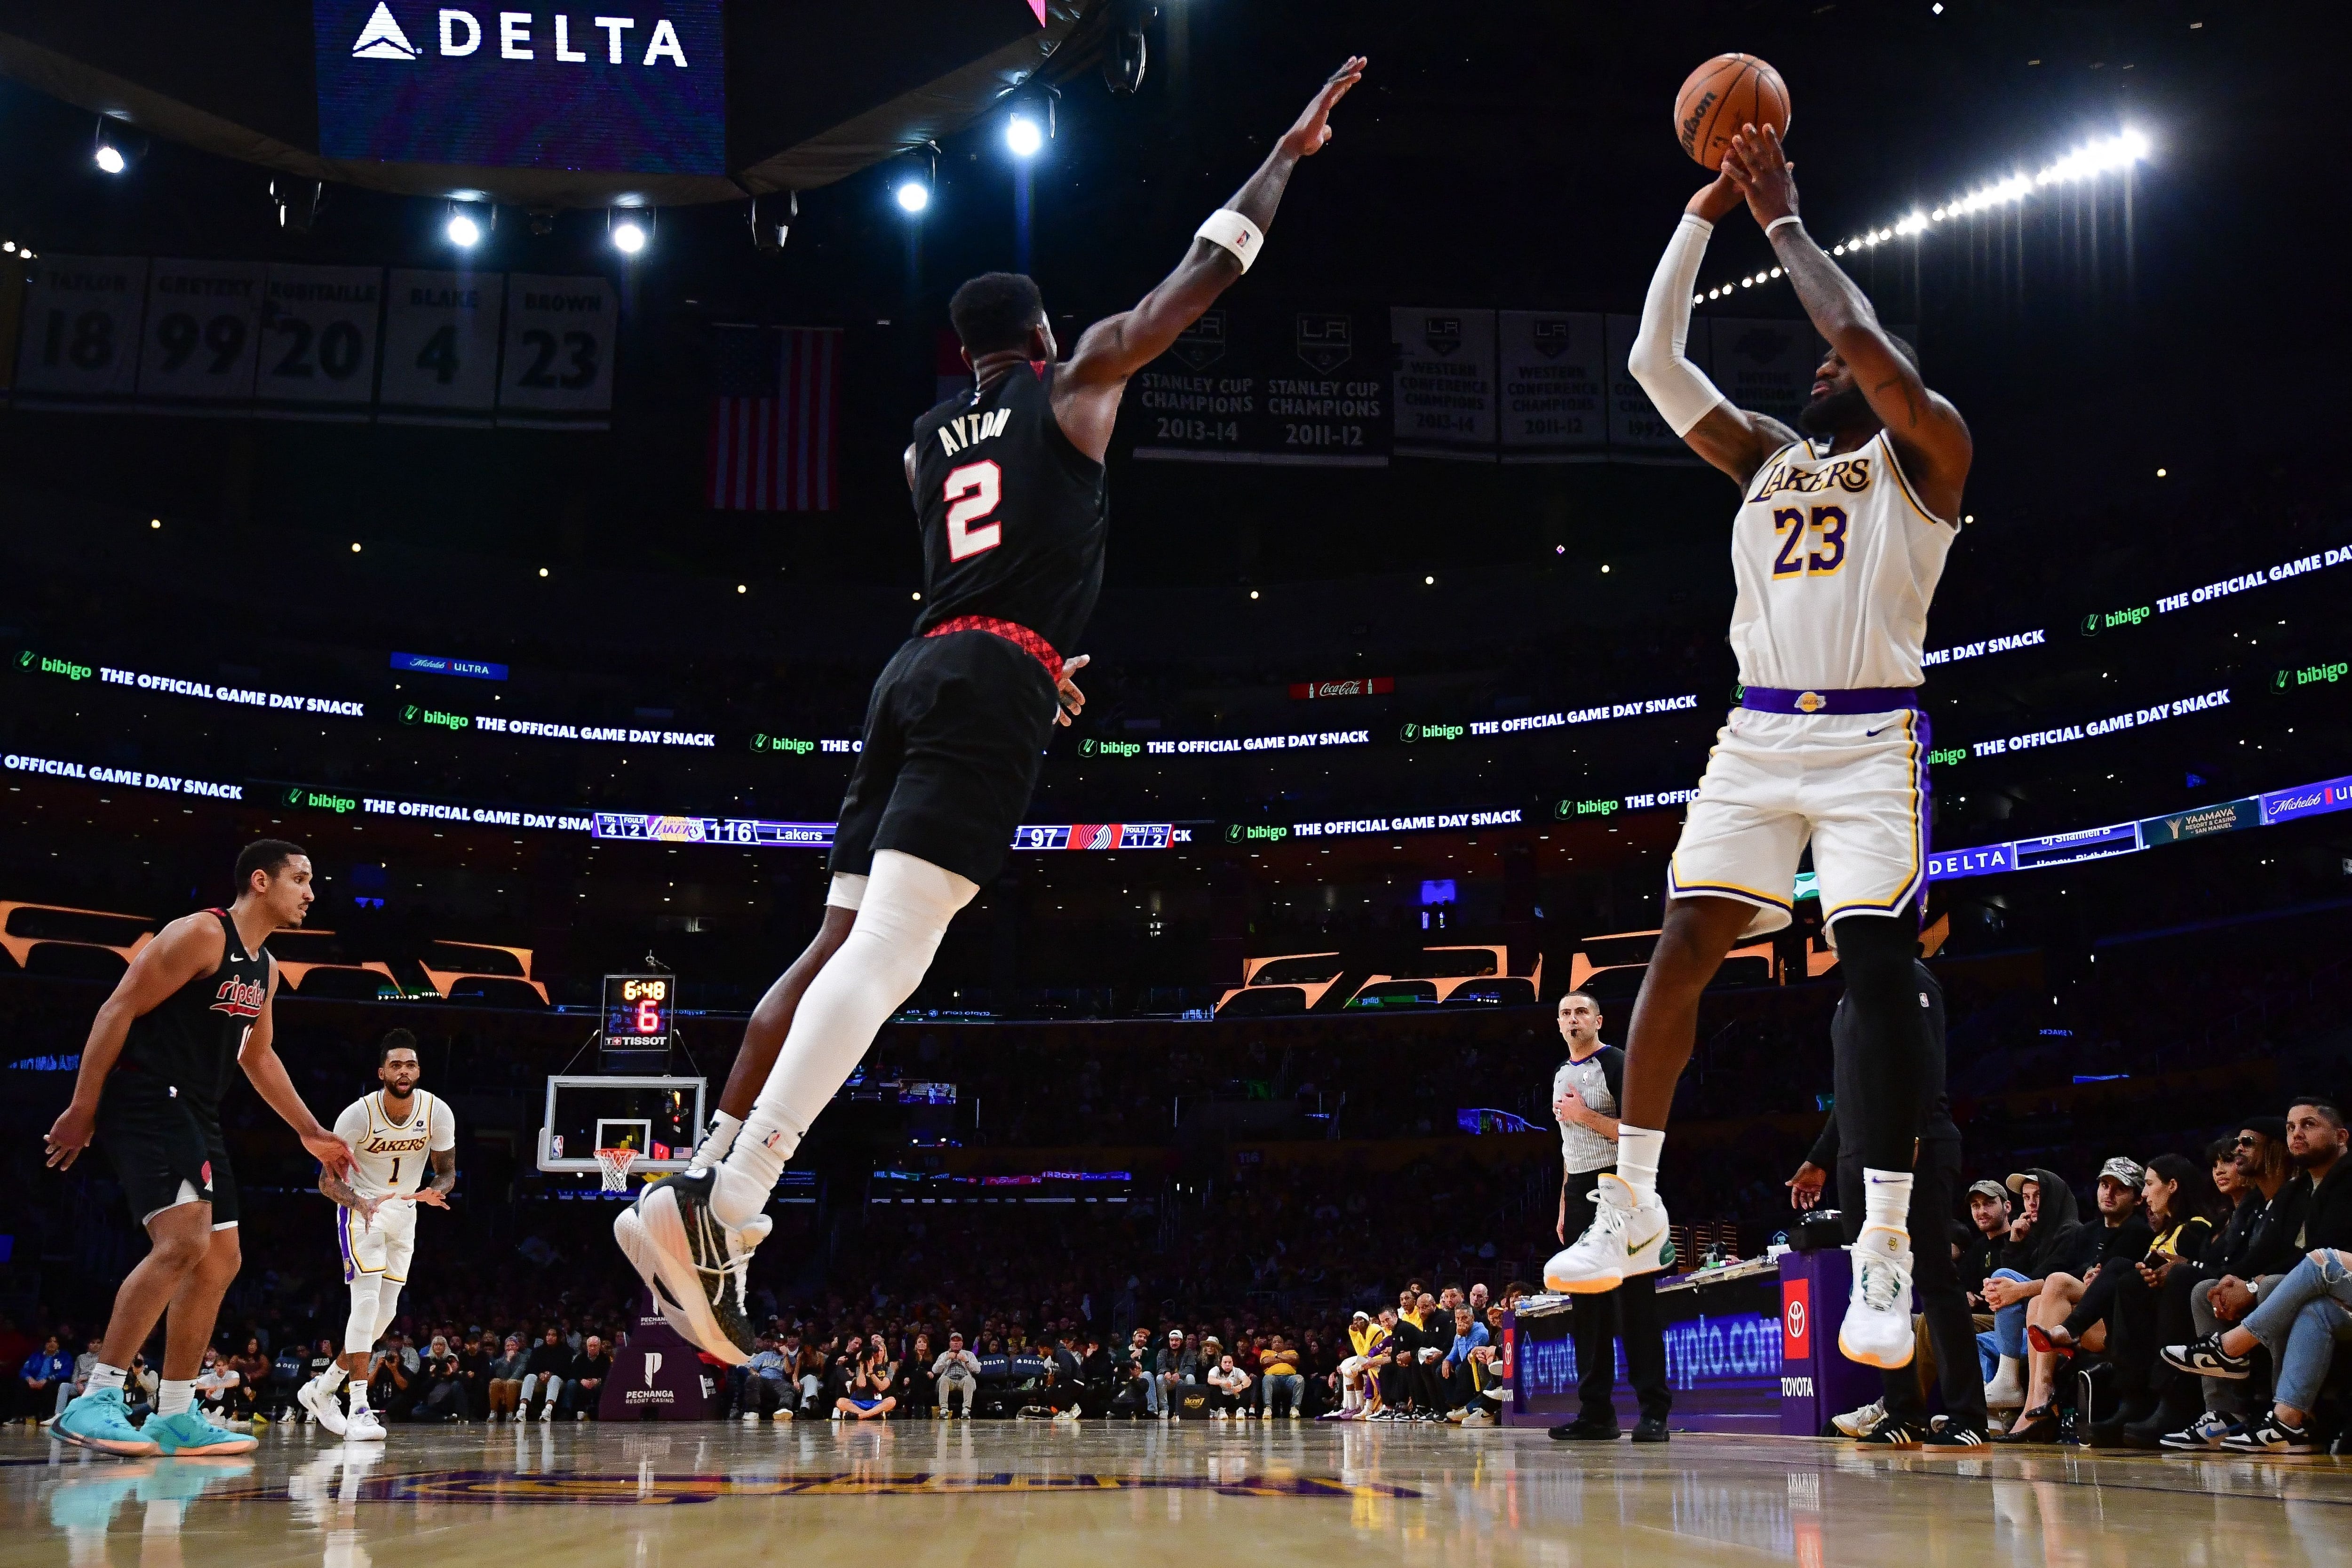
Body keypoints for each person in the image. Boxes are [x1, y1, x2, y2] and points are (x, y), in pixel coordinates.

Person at [615, 58, 1372, 1364]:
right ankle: (726, 1197)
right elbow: (1207, 270)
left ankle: (704, 1169)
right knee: (897, 952)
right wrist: (1287, 153)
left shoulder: (926, 437)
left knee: (831, 941)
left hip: (913, 669)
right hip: (982, 682)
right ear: (1041, 335)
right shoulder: (1072, 381)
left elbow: (988, 564)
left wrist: (1033, 644)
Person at [1549, 118, 1974, 1386]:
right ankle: (1635, 1200)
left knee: (1876, 962)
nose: (1822, 372)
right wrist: (1703, 217)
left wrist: (1783, 216)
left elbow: (1862, 344)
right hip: (1757, 728)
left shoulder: (1930, 452)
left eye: (1846, 364)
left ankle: (1887, 1236)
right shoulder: (1762, 457)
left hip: (1867, 736)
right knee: (1681, 945)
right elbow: (1651, 355)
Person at [45, 840, 354, 1457]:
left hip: (197, 1109)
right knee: (184, 1241)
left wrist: (311, 1131)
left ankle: (176, 1413)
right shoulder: (200, 934)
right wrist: (84, 1106)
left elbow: (258, 1055)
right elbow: (118, 1008)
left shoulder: (263, 967)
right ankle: (95, 1398)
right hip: (147, 1096)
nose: (311, 893)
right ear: (261, 882)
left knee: (220, 1259)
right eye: (301, 879)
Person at [2160, 1098, 2352, 1448]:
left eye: (2308, 1125)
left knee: (2306, 1268)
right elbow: (2271, 1254)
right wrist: (2235, 1280)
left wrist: (2254, 1284)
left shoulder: (2345, 1177)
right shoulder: (2303, 1188)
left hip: (2336, 1277)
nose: (2297, 1133)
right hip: (2332, 1297)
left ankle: (2231, 1348)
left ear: (2341, 1136)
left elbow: (2322, 1250)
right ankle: (2280, 1420)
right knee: (2213, 1290)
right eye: (2291, 1127)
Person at [299, 1029, 457, 1443]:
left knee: (385, 1314)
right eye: (396, 1065)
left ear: (418, 1069)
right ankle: (359, 1406)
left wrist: (435, 1190)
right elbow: (326, 1182)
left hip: (406, 1210)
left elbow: (447, 1170)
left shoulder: (437, 1112)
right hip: (362, 1211)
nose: (404, 1071)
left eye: (411, 1064)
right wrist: (359, 1202)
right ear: (382, 1071)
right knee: (366, 1303)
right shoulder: (357, 1116)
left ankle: (323, 1388)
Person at [1544, 992, 1669, 1444]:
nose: (1573, 1018)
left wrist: (1584, 1115)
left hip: (1621, 1186)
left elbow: (1640, 1131)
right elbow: (1567, 1144)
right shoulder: (1561, 1072)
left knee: (1633, 1302)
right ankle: (1596, 1413)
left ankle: (1654, 1410)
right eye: (1566, 1013)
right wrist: (1564, 1200)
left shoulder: (1617, 1063)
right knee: (1586, 1309)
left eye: (1581, 1011)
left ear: (1598, 1019)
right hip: (1579, 1190)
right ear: (1558, 1023)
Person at [2000, 1158, 2151, 1443]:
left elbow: (2119, 1283)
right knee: (2036, 1304)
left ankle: (2043, 1391)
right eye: (2105, 1185)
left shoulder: (2138, 1231)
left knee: (2056, 1282)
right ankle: (2034, 1401)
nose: (2109, 1193)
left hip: (2115, 1324)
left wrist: (2093, 1280)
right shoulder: (2088, 1231)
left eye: (2120, 1188)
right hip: (2085, 1323)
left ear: (2137, 1198)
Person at [519, 1327, 569, 1421]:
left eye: (553, 1335)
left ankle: (548, 1411)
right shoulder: (538, 1351)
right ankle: (522, 1409)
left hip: (558, 1381)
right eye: (548, 1335)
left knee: (554, 1379)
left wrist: (552, 1374)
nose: (550, 1337)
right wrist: (540, 1374)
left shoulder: (566, 1351)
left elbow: (566, 1370)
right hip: (541, 1380)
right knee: (530, 1377)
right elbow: (531, 1368)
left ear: (558, 1337)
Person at [23, 1335, 73, 1424]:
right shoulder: (36, 1355)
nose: (52, 1344)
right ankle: (22, 1416)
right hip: (35, 1381)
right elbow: (24, 1370)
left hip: (52, 1381)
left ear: (58, 1345)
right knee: (21, 1385)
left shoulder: (65, 1356)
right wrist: (30, 1379)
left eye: (55, 1342)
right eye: (49, 1341)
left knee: (50, 1387)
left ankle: (47, 1416)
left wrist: (49, 1379)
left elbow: (67, 1372)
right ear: (45, 1344)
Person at [932, 1330, 981, 1418]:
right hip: (950, 1381)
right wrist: (946, 1359)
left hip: (963, 1381)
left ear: (962, 1344)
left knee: (969, 1379)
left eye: (958, 1341)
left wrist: (966, 1361)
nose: (956, 1344)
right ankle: (944, 1409)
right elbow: (935, 1370)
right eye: (953, 1341)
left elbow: (978, 1370)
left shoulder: (969, 1354)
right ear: (950, 1343)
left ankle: (966, 1410)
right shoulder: (944, 1355)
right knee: (943, 1379)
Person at [562, 1336, 610, 1420]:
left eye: (595, 1346)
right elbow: (573, 1372)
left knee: (606, 1386)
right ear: (587, 1347)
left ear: (599, 1346)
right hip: (583, 1383)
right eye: (590, 1346)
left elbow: (608, 1374)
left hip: (598, 1383)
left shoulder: (605, 1359)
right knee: (571, 1383)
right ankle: (567, 1411)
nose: (592, 1348)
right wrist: (581, 1380)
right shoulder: (580, 1358)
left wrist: (598, 1380)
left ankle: (601, 1412)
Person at [1259, 1335, 1304, 1420]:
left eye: (1279, 1342)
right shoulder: (1266, 1352)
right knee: (1267, 1379)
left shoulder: (1291, 1352)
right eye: (1275, 1342)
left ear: (1284, 1345)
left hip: (1289, 1380)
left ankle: (1295, 1409)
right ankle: (1268, 1409)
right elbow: (1265, 1362)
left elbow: (1295, 1359)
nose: (1277, 1344)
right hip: (1274, 1380)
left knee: (1300, 1379)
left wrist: (1277, 1356)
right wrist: (1286, 1359)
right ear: (1272, 1345)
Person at [485, 1334, 526, 1420]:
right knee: (495, 1382)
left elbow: (518, 1374)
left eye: (513, 1345)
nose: (510, 1348)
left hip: (519, 1382)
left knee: (511, 1383)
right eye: (508, 1346)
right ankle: (493, 1412)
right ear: (505, 1348)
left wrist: (506, 1385)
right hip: (505, 1382)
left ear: (518, 1347)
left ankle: (510, 1413)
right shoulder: (500, 1361)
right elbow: (502, 1376)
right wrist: (508, 1361)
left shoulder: (523, 1358)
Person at [1206, 1353, 1251, 1419]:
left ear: (1233, 1363)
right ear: (1221, 1363)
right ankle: (1220, 1410)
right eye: (1225, 1362)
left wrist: (1240, 1386)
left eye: (1230, 1362)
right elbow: (1210, 1380)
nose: (1228, 1365)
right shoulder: (1216, 1370)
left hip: (1233, 1398)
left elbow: (1248, 1380)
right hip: (1221, 1398)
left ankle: (1241, 1410)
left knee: (1246, 1387)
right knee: (1212, 1387)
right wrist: (1221, 1381)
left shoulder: (1238, 1371)